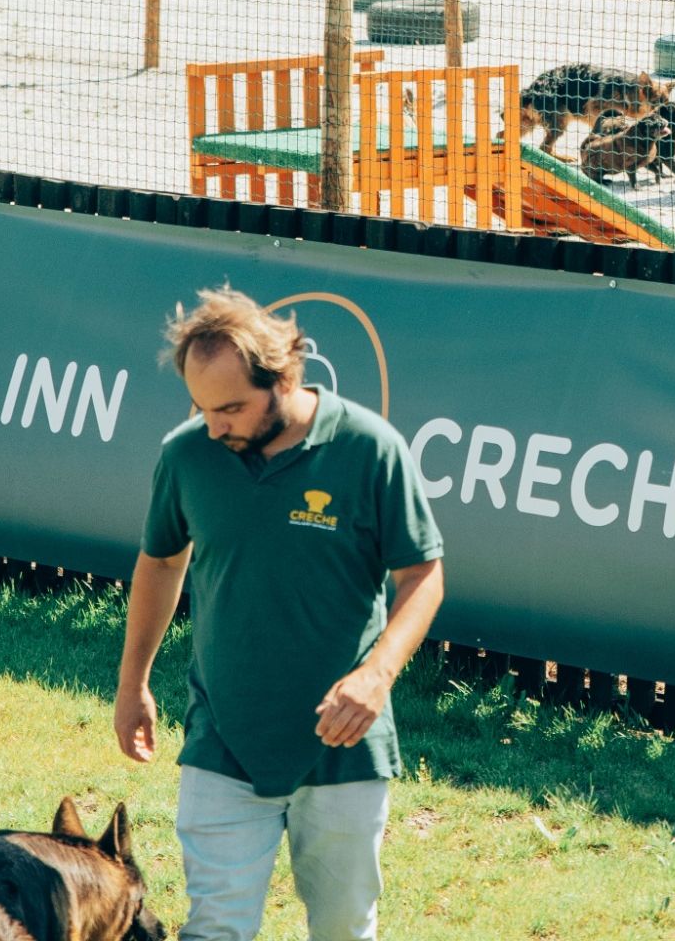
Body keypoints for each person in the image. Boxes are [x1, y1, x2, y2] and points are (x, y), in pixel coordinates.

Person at [114, 285, 445, 941]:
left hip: (344, 745)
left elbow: (423, 575)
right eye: (203, 408)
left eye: (231, 408)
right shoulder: (188, 454)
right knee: (215, 929)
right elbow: (160, 562)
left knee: (344, 927)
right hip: (223, 737)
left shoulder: (369, 449)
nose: (215, 427)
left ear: (285, 376)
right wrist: (133, 684)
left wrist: (376, 676)